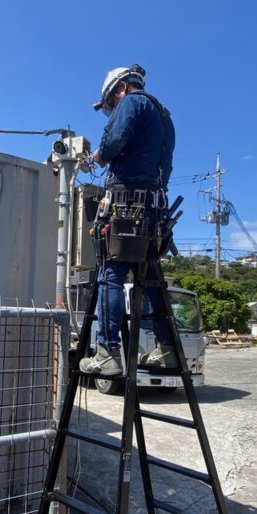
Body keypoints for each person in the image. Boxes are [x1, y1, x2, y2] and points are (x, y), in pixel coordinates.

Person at [79, 64, 177, 377]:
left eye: (110, 106)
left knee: (110, 274)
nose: (110, 112)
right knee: (148, 279)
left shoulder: (133, 103)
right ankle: (168, 348)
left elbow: (113, 142)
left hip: (124, 207)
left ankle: (108, 350)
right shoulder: (164, 115)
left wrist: (97, 155)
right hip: (151, 210)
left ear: (120, 88)